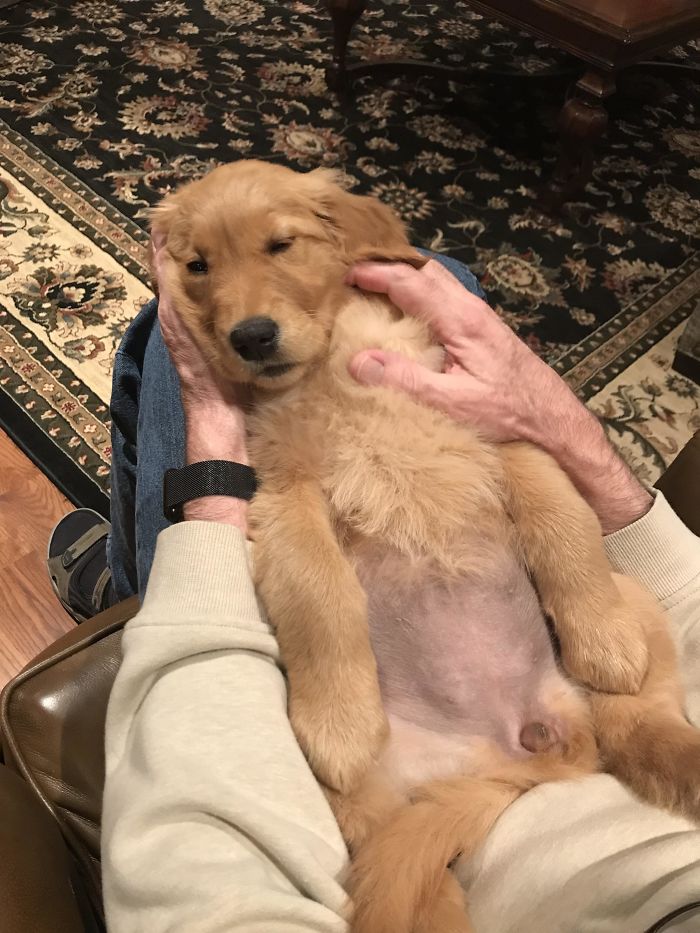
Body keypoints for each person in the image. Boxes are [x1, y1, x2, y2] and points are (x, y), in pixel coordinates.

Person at [52, 252, 700, 931]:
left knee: (175, 328)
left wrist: (211, 501)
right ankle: (133, 591)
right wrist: (553, 422)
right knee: (426, 279)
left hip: (413, 787)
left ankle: (127, 598)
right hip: (588, 711)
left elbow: (202, 872)